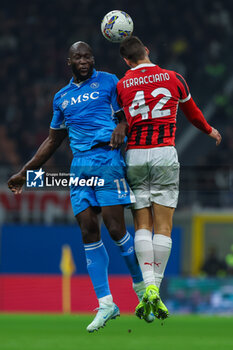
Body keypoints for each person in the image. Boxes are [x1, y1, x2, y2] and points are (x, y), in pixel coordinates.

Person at [7, 41, 151, 332]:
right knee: (87, 229)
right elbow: (52, 141)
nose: (83, 60)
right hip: (80, 167)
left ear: (93, 59)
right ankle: (107, 303)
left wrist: (122, 126)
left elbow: (127, 112)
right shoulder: (61, 98)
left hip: (108, 160)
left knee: (115, 228)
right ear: (69, 63)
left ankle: (143, 292)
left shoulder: (110, 81)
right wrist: (25, 172)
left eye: (87, 56)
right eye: (78, 57)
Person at [117, 36, 222, 321]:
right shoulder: (174, 78)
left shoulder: (122, 84)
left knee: (142, 223)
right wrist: (209, 130)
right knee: (163, 225)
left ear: (127, 61)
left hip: (136, 155)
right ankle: (155, 288)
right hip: (164, 152)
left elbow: (118, 121)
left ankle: (146, 286)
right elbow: (193, 113)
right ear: (147, 51)